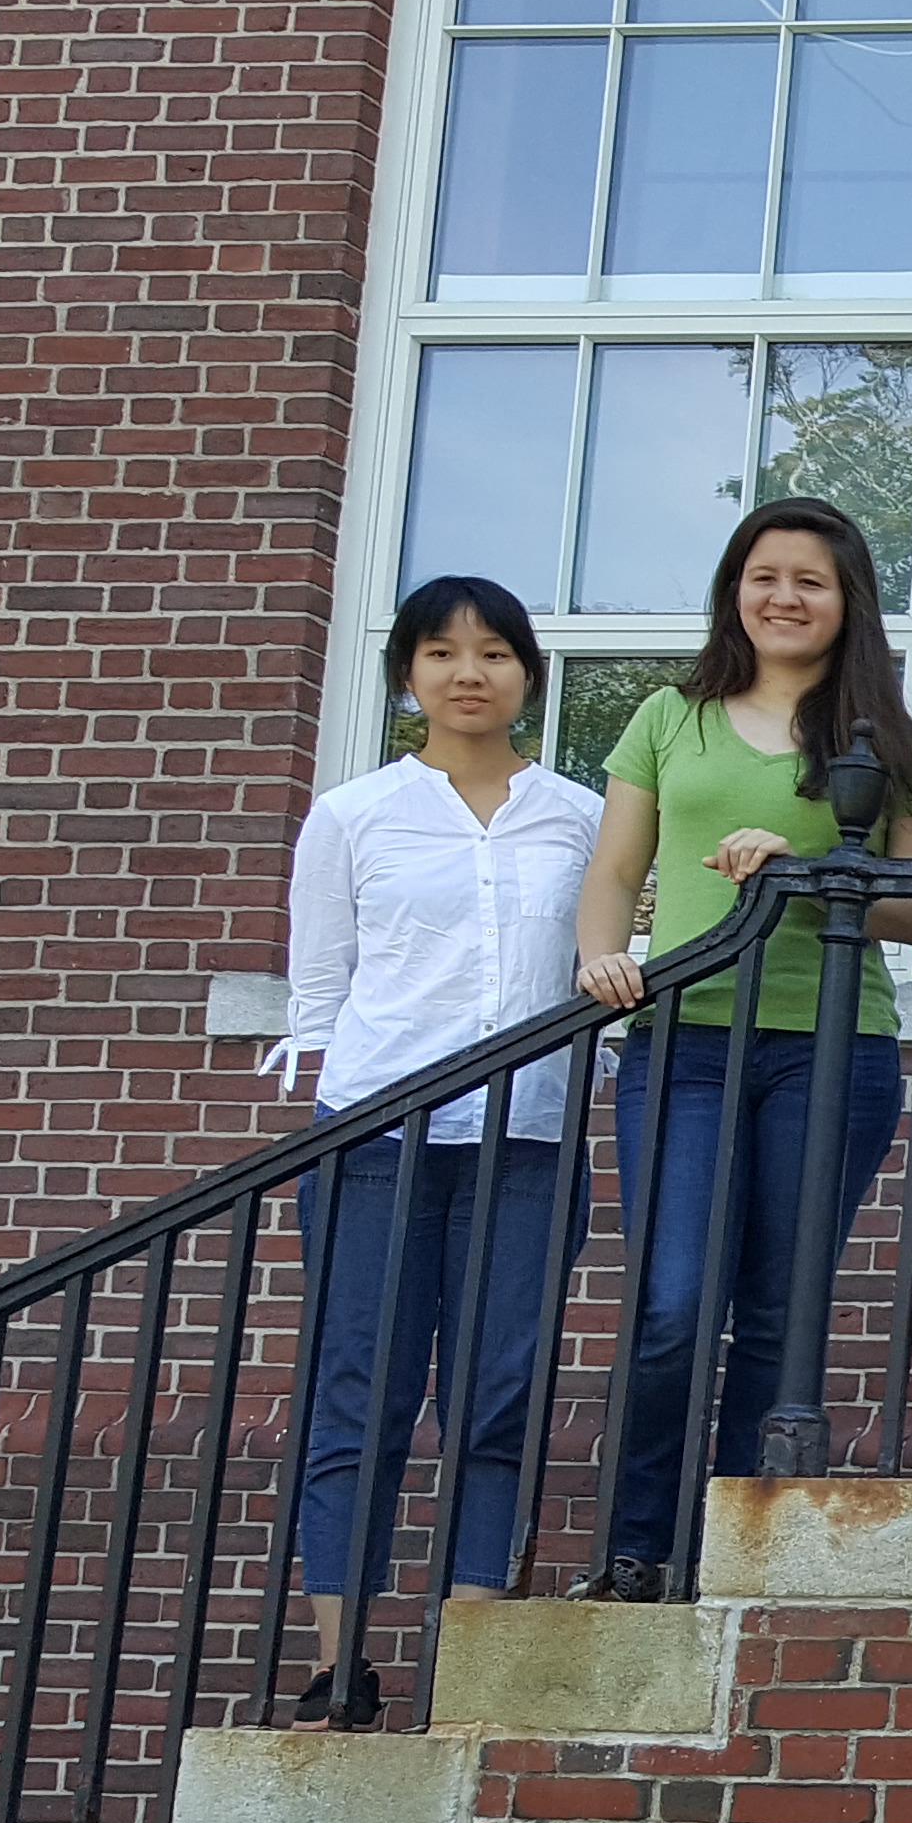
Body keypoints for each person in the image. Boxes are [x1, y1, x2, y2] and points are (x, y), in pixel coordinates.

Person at [569, 497, 912, 1598]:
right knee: (674, 1304)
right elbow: (614, 870)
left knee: (781, 1316)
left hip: (832, 1051)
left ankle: (734, 1556)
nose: (784, 597)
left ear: (848, 602)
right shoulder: (668, 716)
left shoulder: (891, 742)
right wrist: (603, 961)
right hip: (682, 1041)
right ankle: (640, 1547)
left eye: (810, 581)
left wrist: (809, 870)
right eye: (764, 576)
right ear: (736, 589)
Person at [269, 576, 600, 1719]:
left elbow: (602, 962)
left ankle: (470, 1657)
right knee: (359, 1393)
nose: (470, 672)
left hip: (530, 1138)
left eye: (495, 652)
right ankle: (340, 1665)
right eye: (443, 652)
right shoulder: (354, 814)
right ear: (407, 673)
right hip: (376, 1141)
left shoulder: (580, 815)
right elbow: (319, 988)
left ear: (527, 677)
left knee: (497, 1395)